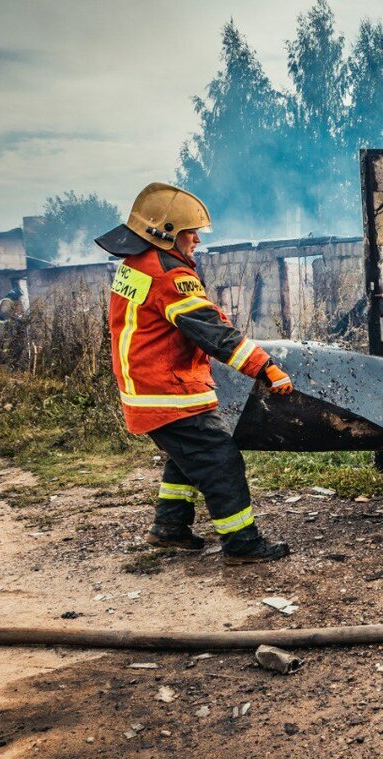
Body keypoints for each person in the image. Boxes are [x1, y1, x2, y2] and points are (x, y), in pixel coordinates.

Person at [95, 182, 291, 564]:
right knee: (220, 460)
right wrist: (265, 368)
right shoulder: (169, 276)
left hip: (148, 391)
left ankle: (170, 528)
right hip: (168, 394)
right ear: (165, 233)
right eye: (190, 231)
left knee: (185, 457)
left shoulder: (135, 268)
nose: (197, 239)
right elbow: (212, 331)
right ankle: (242, 544)